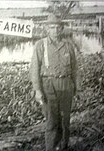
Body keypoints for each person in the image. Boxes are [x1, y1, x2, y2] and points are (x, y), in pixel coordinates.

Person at [30, 14, 77, 151]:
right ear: (47, 29)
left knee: (65, 120)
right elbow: (34, 69)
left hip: (66, 85)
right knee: (51, 121)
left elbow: (75, 68)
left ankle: (63, 147)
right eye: (52, 27)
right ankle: (51, 148)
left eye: (58, 27)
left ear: (62, 29)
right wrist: (37, 90)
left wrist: (77, 88)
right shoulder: (41, 45)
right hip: (48, 85)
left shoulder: (68, 45)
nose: (55, 30)